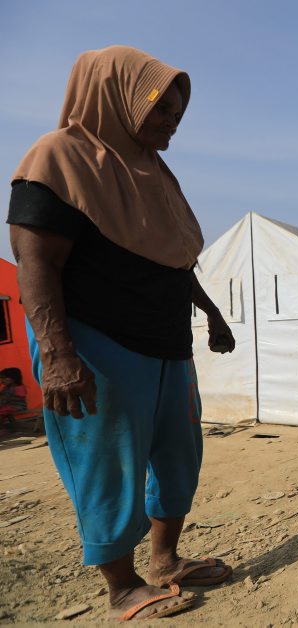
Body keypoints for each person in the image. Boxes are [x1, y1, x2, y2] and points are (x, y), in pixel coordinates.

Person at [8, 46, 236, 620]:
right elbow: (35, 261)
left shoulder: (153, 174)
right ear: (118, 98)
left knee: (179, 458)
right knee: (109, 466)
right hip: (94, 344)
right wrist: (57, 355)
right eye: (161, 110)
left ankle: (165, 561)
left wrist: (211, 312)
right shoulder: (58, 158)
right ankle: (121, 586)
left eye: (178, 115)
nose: (171, 123)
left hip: (166, 345)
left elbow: (172, 261)